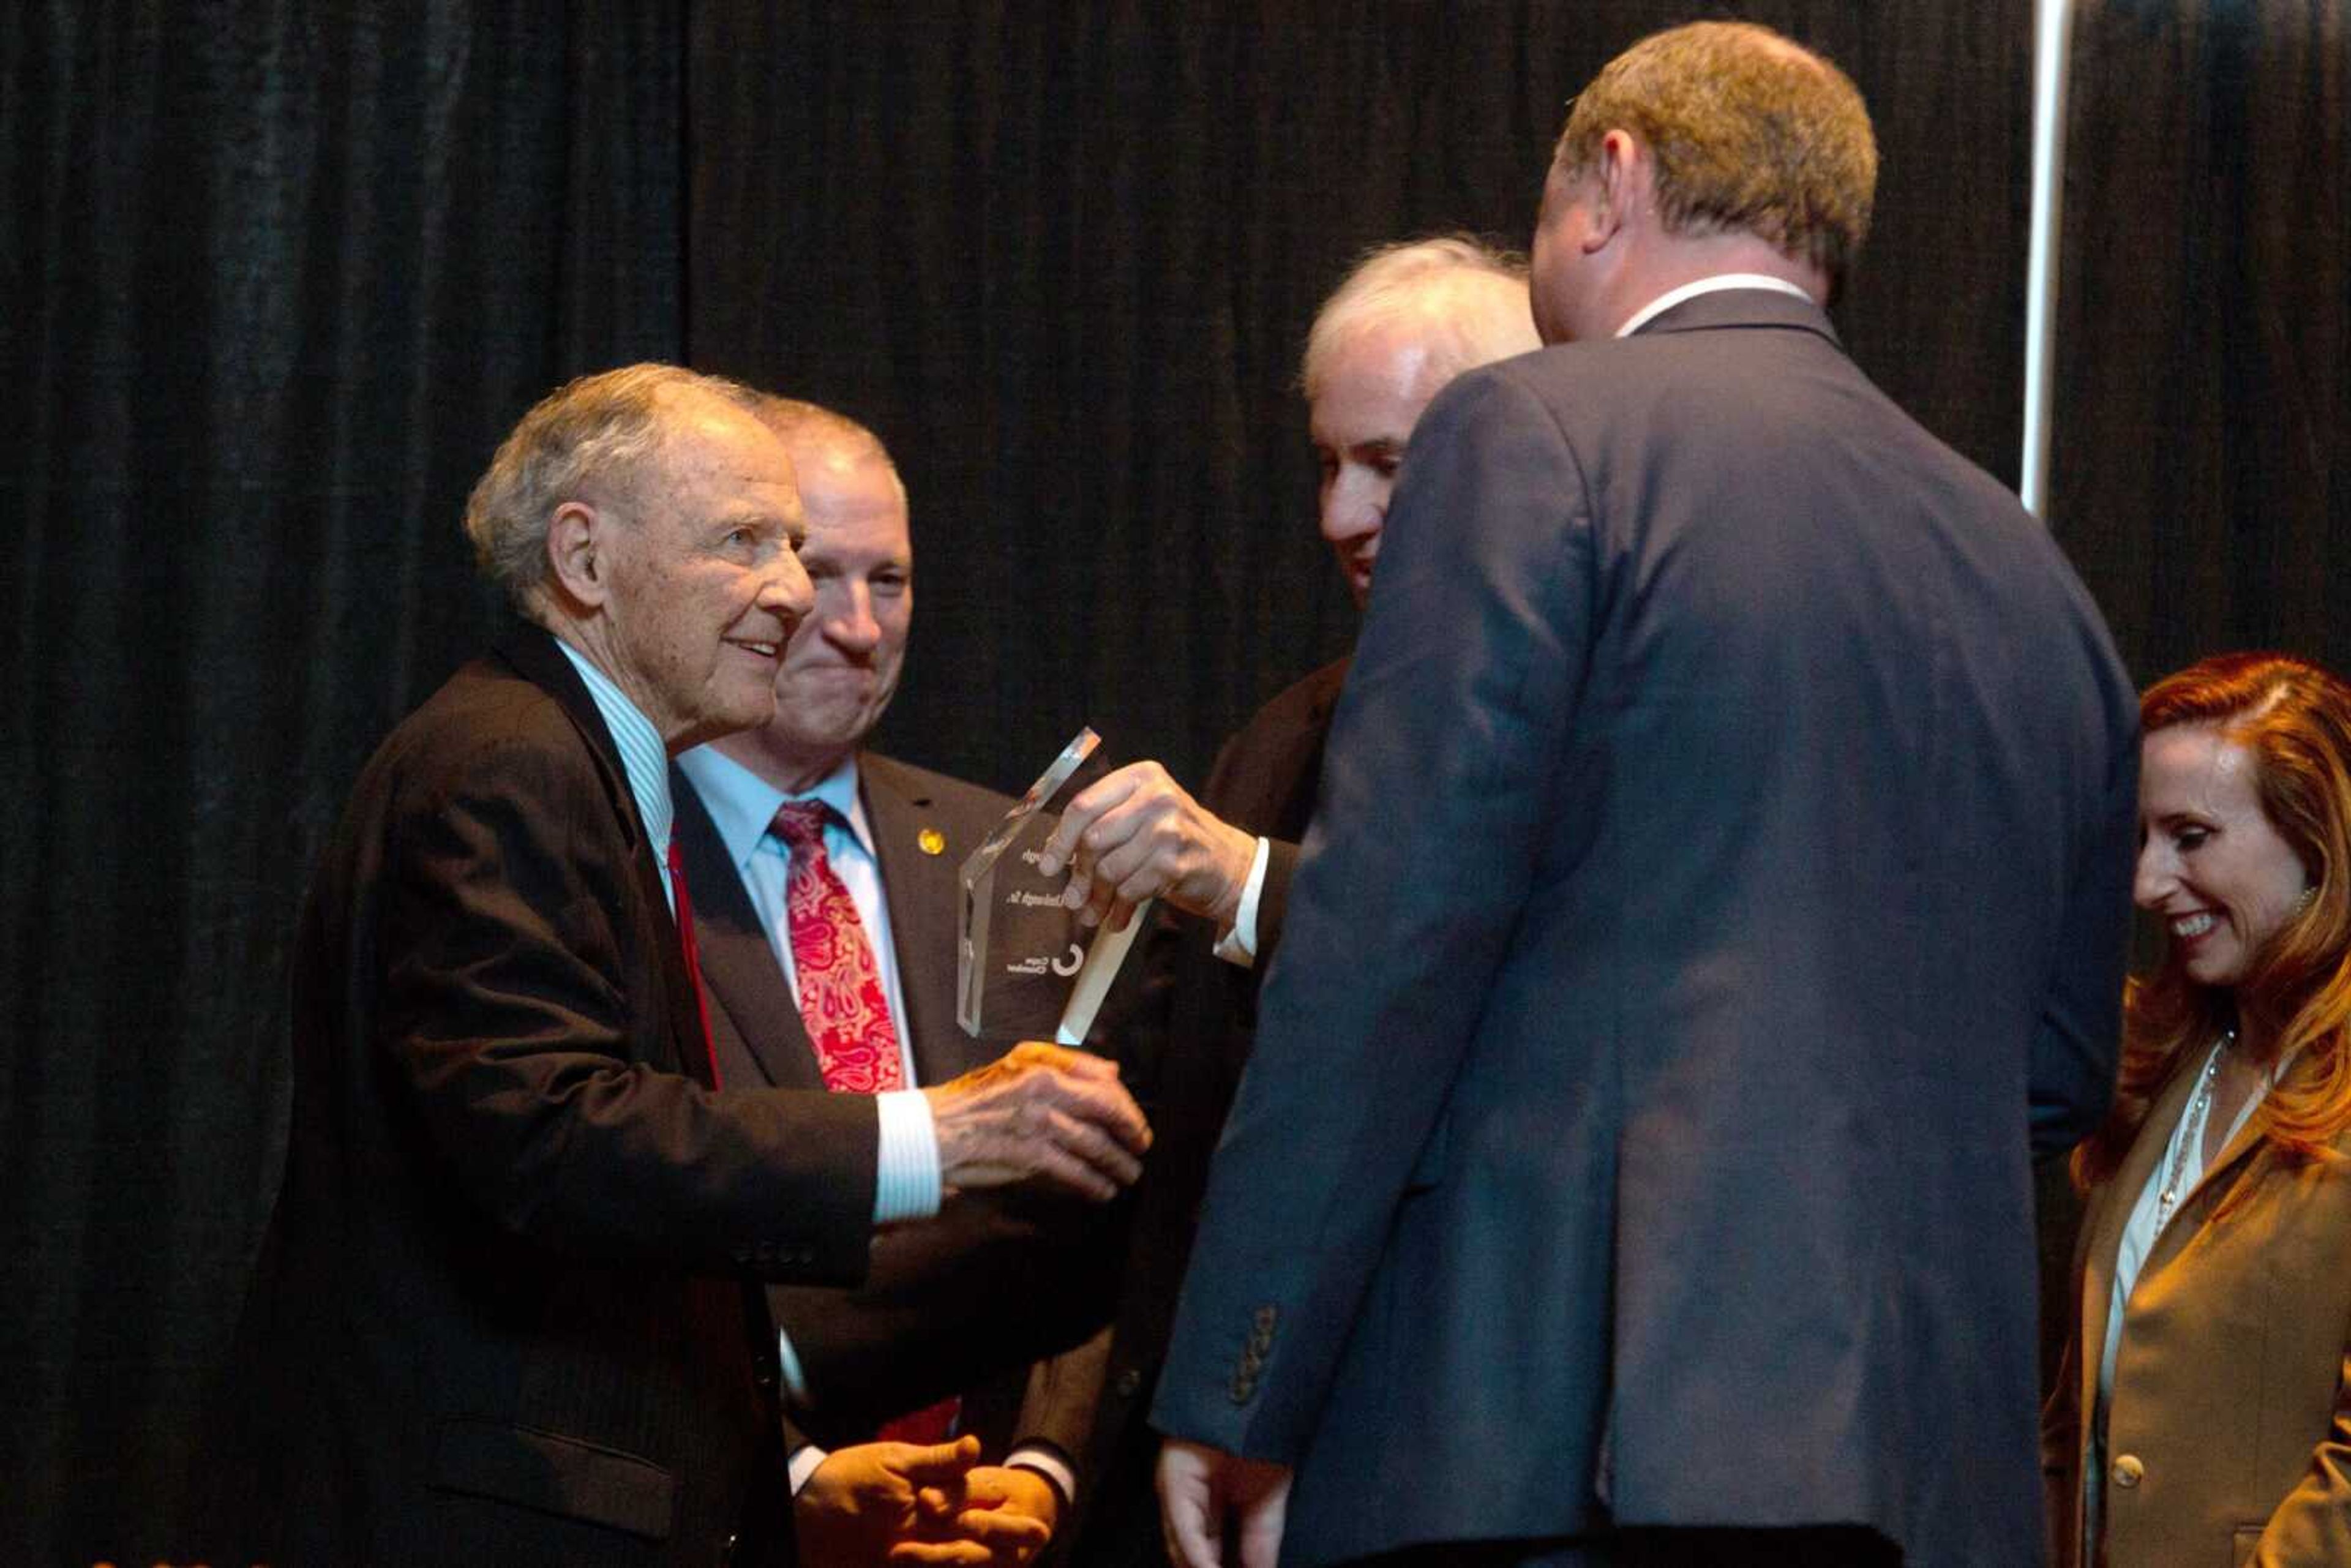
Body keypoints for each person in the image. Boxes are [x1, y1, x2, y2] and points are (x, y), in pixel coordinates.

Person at [1147, 21, 2139, 1568]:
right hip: (1926, 1475)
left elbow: (1386, 947)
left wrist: (1241, 1379)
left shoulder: (1536, 434)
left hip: (1566, 1447)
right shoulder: (2029, 568)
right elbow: (2064, 1069)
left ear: (1609, 182)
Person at [210, 365, 1149, 1568]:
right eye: (743, 542)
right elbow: (553, 1142)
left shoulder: (572, 762)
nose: (793, 594)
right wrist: (942, 1136)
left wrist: (773, 1474)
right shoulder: (511, 765)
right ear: (585, 561)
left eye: (796, 548)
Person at [1037, 236, 1541, 1566]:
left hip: (1446, 1454)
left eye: (1389, 464)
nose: (1338, 516)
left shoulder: (1602, 726)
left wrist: (1249, 882)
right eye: (1328, 463)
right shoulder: (1286, 730)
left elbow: (1501, 1000)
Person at [671, 396, 1112, 1565]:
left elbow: (1086, 1199)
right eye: (821, 572)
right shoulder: (610, 852)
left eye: (894, 580)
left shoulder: (1019, 857)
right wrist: (791, 1478)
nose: (861, 628)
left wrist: (1043, 1468)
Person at [2044, 653, 2351, 1567]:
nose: (2145, 883)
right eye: (2141, 839)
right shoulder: (2165, 1066)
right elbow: (2080, 1421)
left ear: (2318, 841)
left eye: (2190, 836)